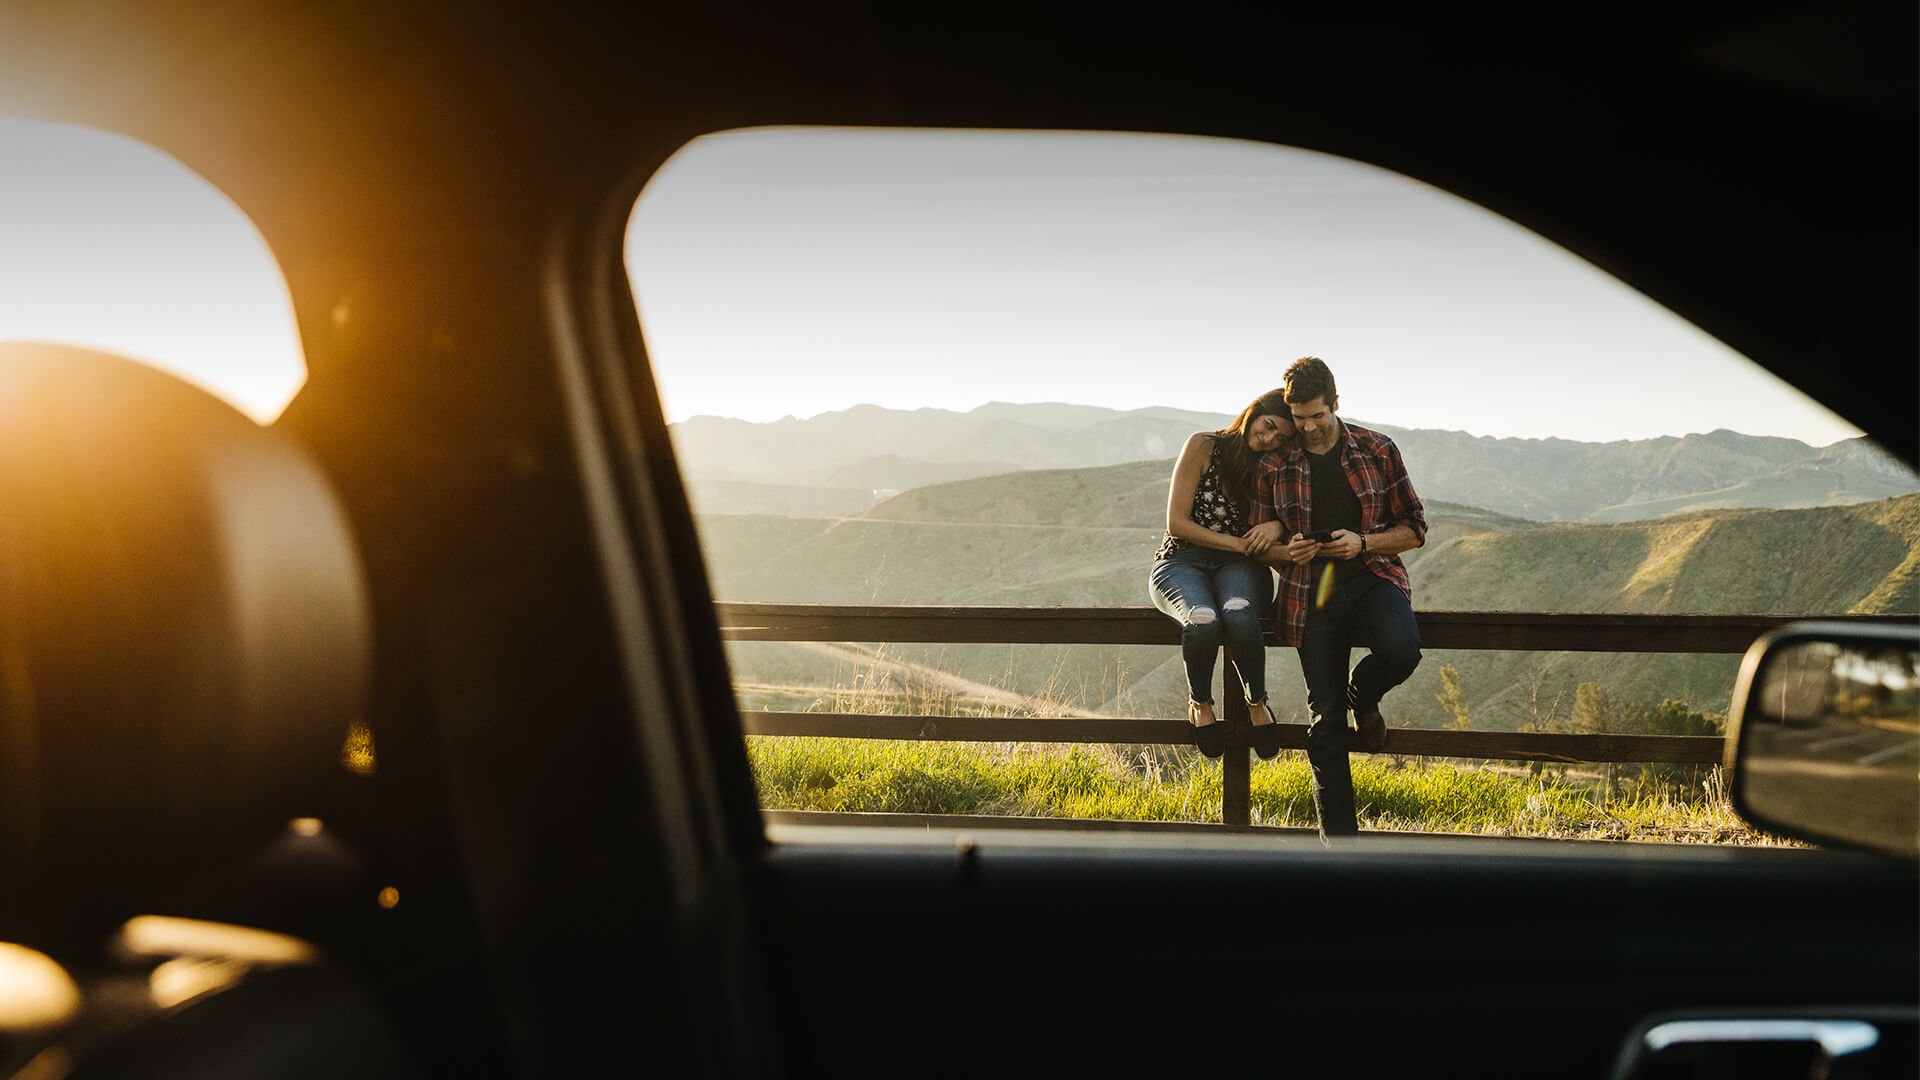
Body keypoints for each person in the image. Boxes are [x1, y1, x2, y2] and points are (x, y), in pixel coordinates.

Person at [1252, 357, 1426, 836]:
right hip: (1310, 592)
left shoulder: (1377, 449)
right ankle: (1341, 850)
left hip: (1372, 576)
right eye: (1300, 418)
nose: (1307, 428)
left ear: (1335, 404)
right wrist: (1290, 552)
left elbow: (1414, 528)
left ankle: (1363, 697)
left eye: (1317, 416)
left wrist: (1363, 542)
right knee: (1324, 722)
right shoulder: (1275, 464)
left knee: (1401, 650)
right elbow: (1263, 545)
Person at [1149, 389, 1293, 760]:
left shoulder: (1273, 466)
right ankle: (1200, 703)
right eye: (1269, 426)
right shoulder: (1202, 445)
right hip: (1182, 559)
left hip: (1241, 567)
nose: (1269, 439)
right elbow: (1176, 523)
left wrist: (1275, 527)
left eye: (1280, 438)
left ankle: (1256, 702)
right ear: (1254, 412)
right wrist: (1239, 544)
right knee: (1203, 620)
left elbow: (1288, 519)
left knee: (1239, 614)